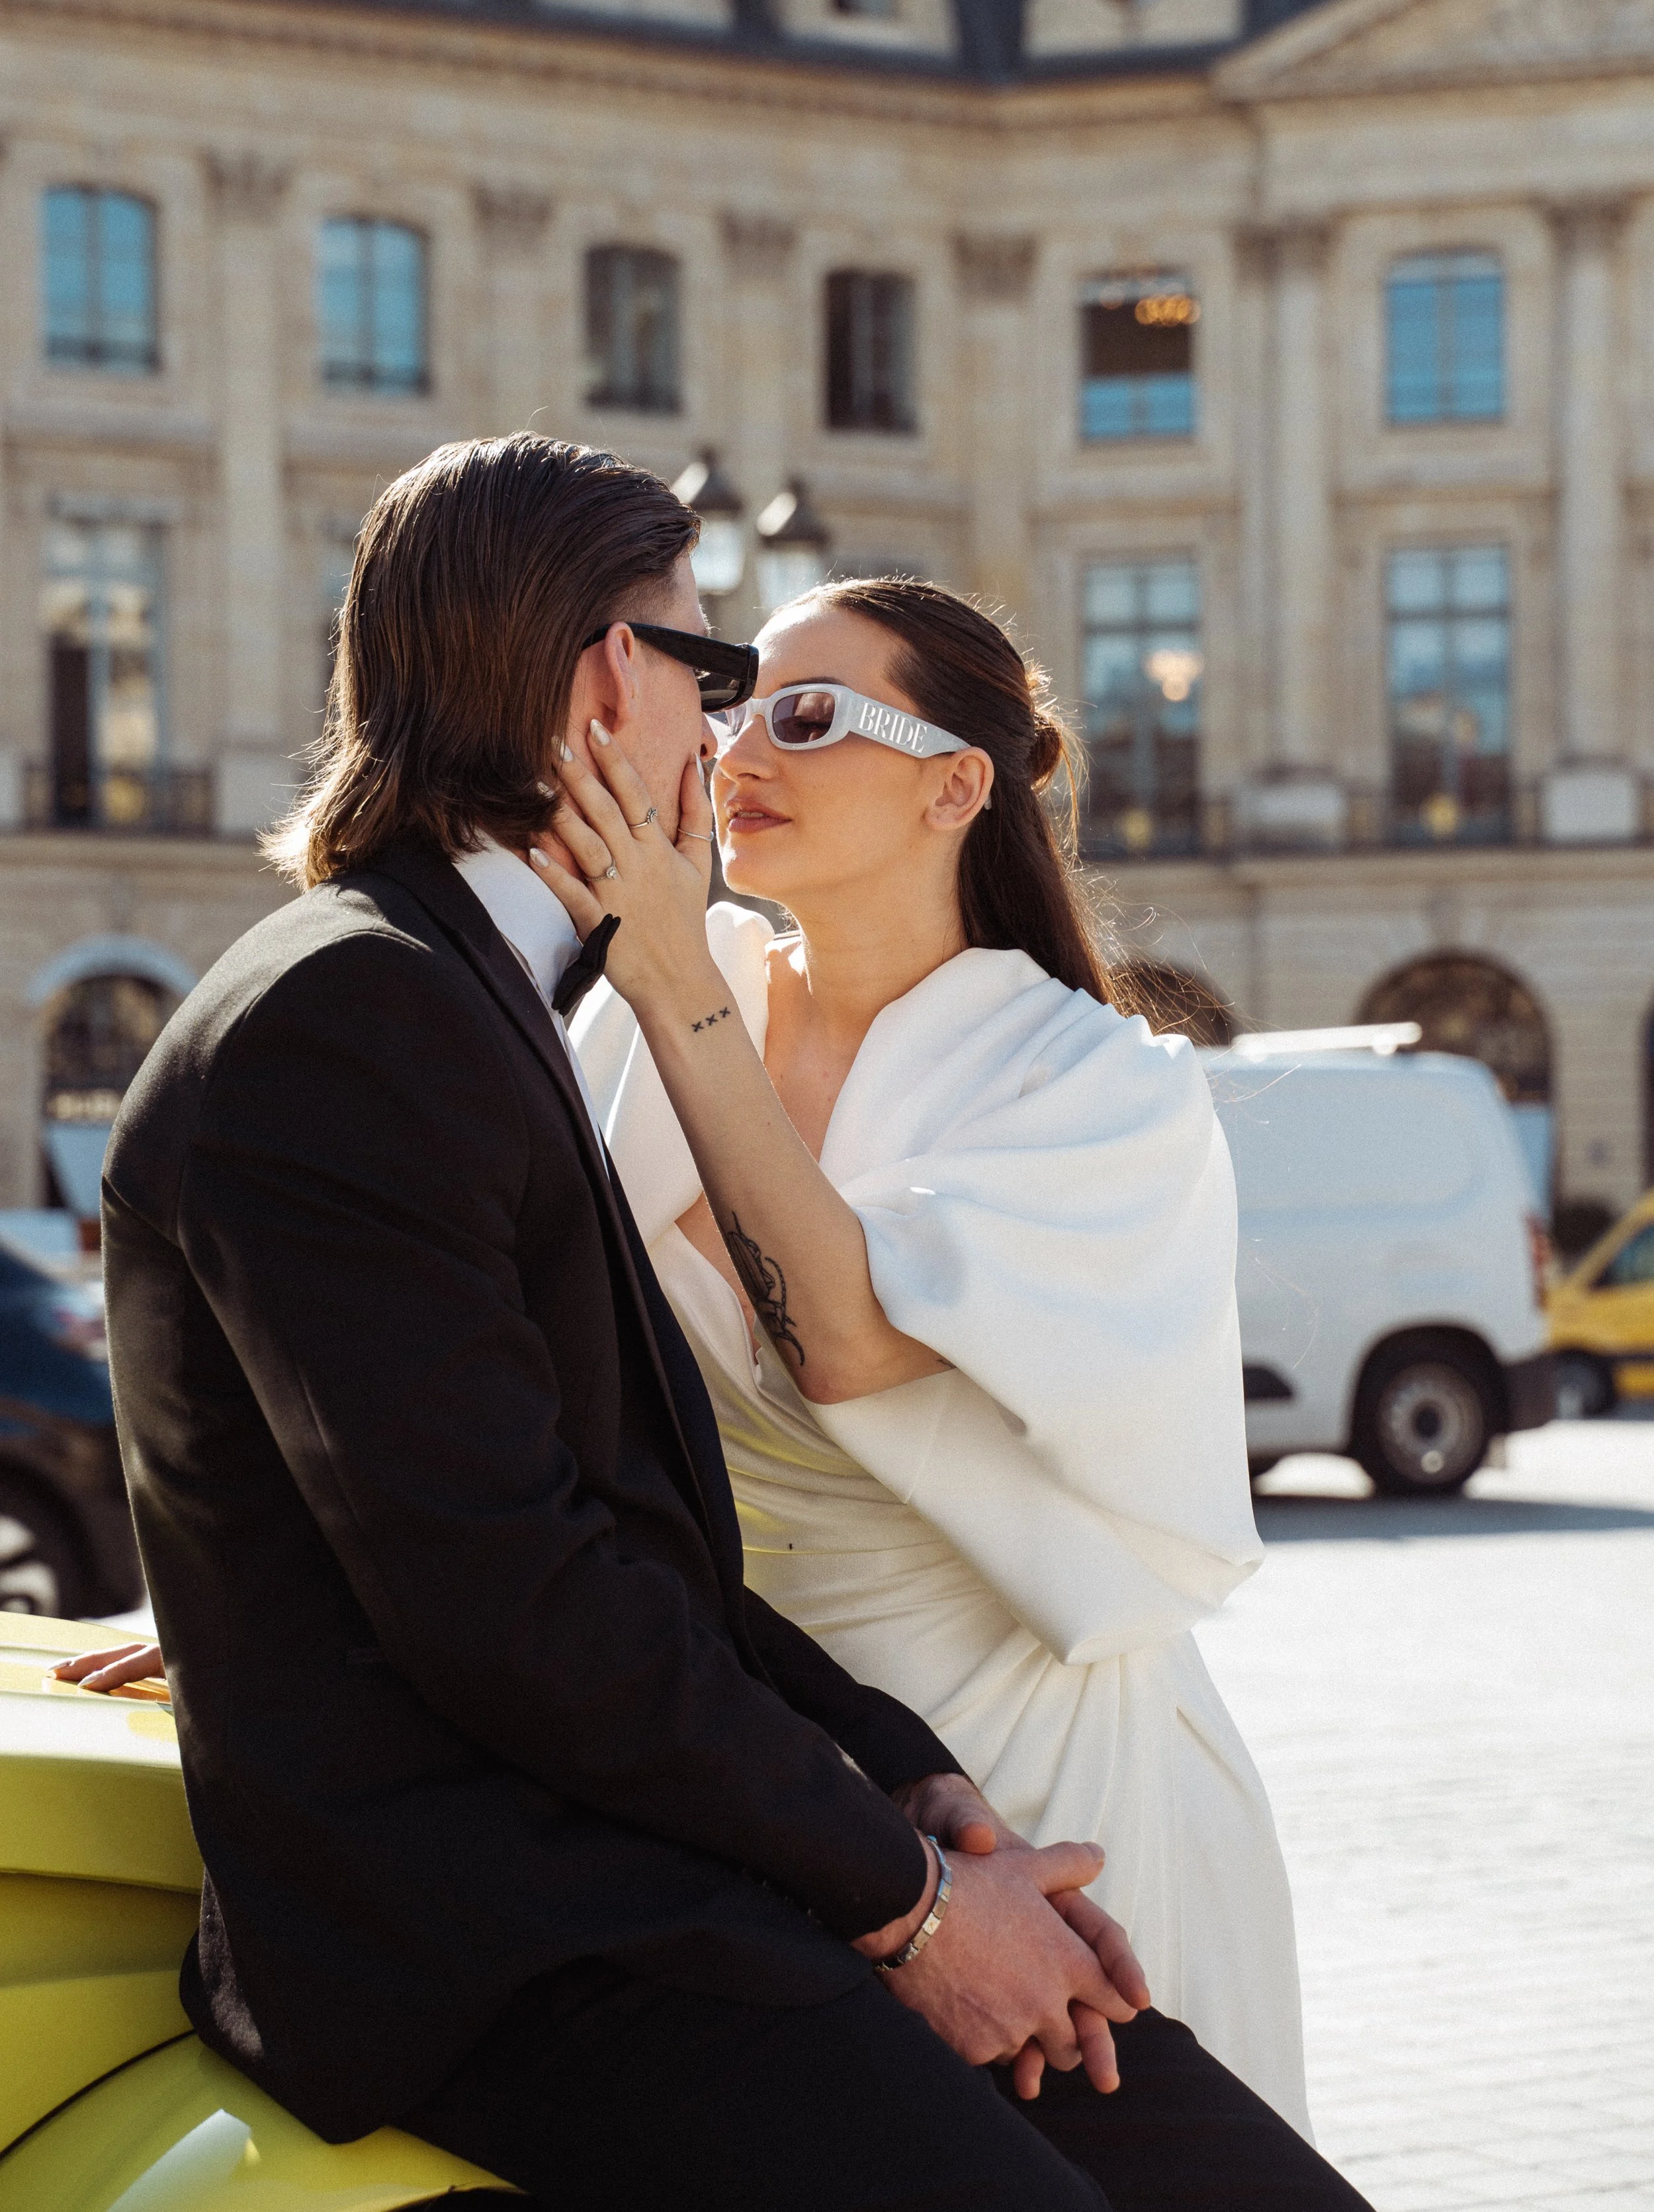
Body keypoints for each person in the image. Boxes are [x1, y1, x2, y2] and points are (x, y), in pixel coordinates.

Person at [86, 435, 1370, 2212]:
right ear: (616, 673)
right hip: (542, 1917)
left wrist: (917, 1794)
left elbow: (583, 1518)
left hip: (759, 1800)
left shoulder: (480, 992)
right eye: (721, 680)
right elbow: (519, 1589)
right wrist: (905, 1890)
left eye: (793, 707)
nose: (733, 737)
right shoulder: (379, 1013)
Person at [538, 574, 1311, 2139]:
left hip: (1030, 1767)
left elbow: (840, 1338)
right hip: (741, 1751)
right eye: (743, 703)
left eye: (809, 718)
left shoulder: (1099, 1087)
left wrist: (674, 966)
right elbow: (512, 1360)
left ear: (958, 785)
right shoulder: (639, 1018)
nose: (744, 747)